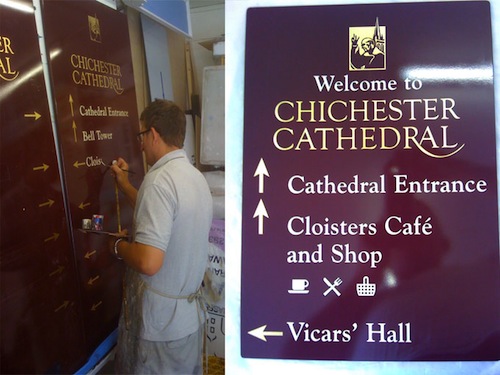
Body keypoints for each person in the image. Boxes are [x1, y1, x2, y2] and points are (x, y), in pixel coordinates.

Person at [108, 99, 213, 374]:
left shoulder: (159, 182)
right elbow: (166, 215)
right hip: (187, 320)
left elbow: (148, 262)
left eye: (142, 135)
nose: (140, 144)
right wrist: (127, 186)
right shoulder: (193, 176)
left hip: (162, 329)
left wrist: (119, 246)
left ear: (153, 134)